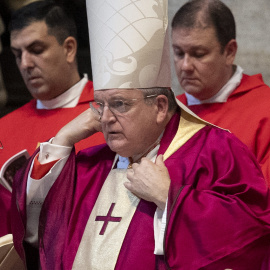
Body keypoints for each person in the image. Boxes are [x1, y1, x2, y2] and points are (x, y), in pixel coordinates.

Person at [11, 0, 270, 269]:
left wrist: (169, 197)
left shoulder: (215, 151)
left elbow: (253, 234)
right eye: (100, 104)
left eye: (120, 104)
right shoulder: (91, 164)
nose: (106, 118)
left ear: (159, 106)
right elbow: (35, 229)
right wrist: (63, 140)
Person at [0, 1, 105, 190]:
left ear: (69, 49)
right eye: (17, 54)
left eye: (36, 50)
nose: (25, 64)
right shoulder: (3, 129)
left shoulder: (107, 112)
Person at [173, 0, 270, 185]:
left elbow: (261, 203)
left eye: (199, 54)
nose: (185, 66)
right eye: (178, 53)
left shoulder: (265, 111)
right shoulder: (166, 113)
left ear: (229, 52)